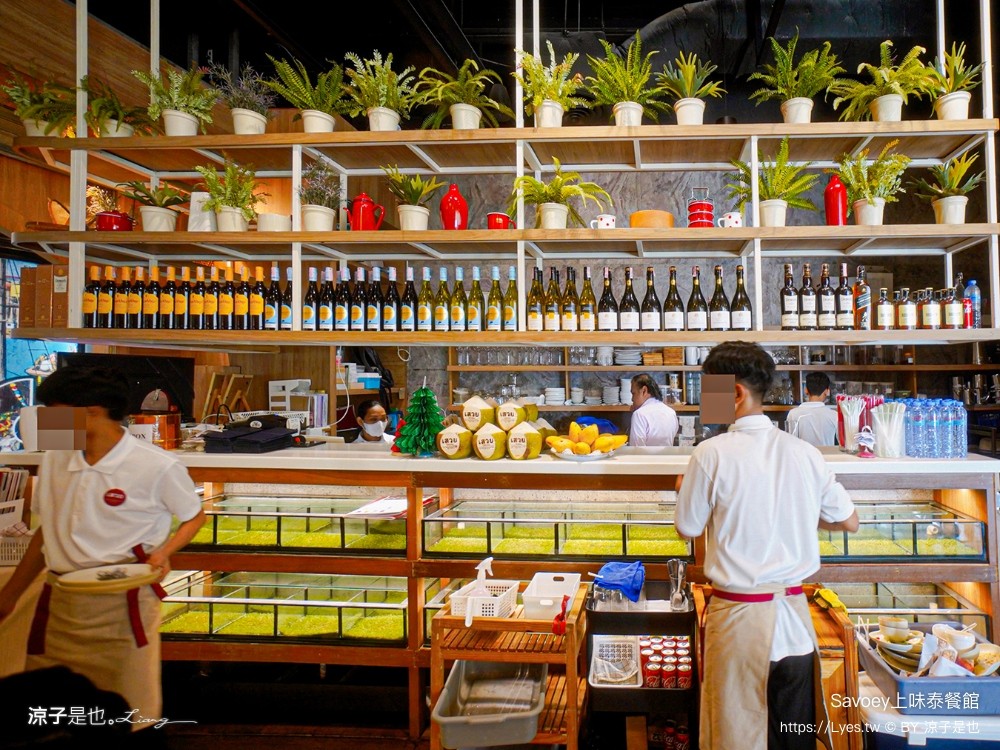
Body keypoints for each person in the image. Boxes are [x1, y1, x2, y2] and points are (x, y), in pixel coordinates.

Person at [674, 342, 858, 750]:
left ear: (735, 393)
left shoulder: (711, 454)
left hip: (738, 624)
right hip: (795, 629)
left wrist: (683, 490)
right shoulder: (804, 454)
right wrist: (799, 508)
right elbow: (849, 520)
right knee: (794, 741)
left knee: (735, 738)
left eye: (710, 390)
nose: (707, 401)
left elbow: (688, 527)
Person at [0, 365, 205, 730]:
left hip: (123, 602)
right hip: (60, 601)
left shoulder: (154, 464)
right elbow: (47, 530)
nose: (44, 420)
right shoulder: (56, 458)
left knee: (125, 710)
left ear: (92, 412)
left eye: (53, 412)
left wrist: (164, 551)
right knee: (51, 710)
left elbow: (194, 516)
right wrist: (12, 593)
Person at [785, 372, 839, 447]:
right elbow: (843, 443)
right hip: (825, 458)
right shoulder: (834, 415)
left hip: (802, 457)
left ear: (806, 390)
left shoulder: (793, 414)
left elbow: (790, 443)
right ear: (827, 391)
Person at [628, 374, 678, 446]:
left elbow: (636, 449)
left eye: (633, 393)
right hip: (668, 457)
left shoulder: (639, 414)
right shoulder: (671, 412)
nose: (632, 399)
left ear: (644, 391)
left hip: (646, 457)